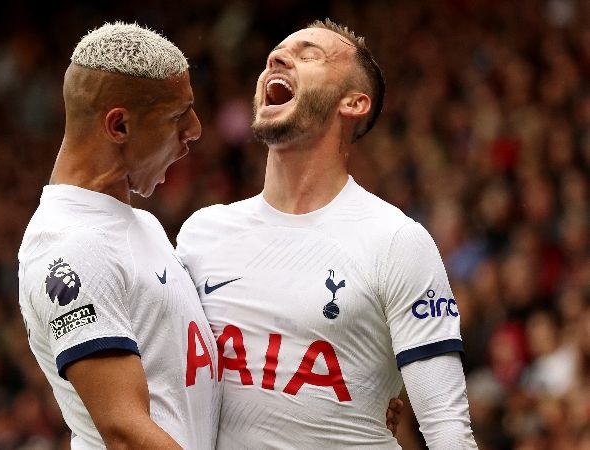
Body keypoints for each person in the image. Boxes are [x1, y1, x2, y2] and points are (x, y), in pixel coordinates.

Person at [176, 19, 478, 449]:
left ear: (354, 103)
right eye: (277, 53)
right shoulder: (200, 234)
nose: (276, 58)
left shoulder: (396, 242)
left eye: (309, 54)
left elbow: (448, 429)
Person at [17, 22, 220, 449]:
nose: (195, 130)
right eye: (177, 116)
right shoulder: (72, 246)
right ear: (119, 126)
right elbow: (126, 434)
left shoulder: (136, 224)